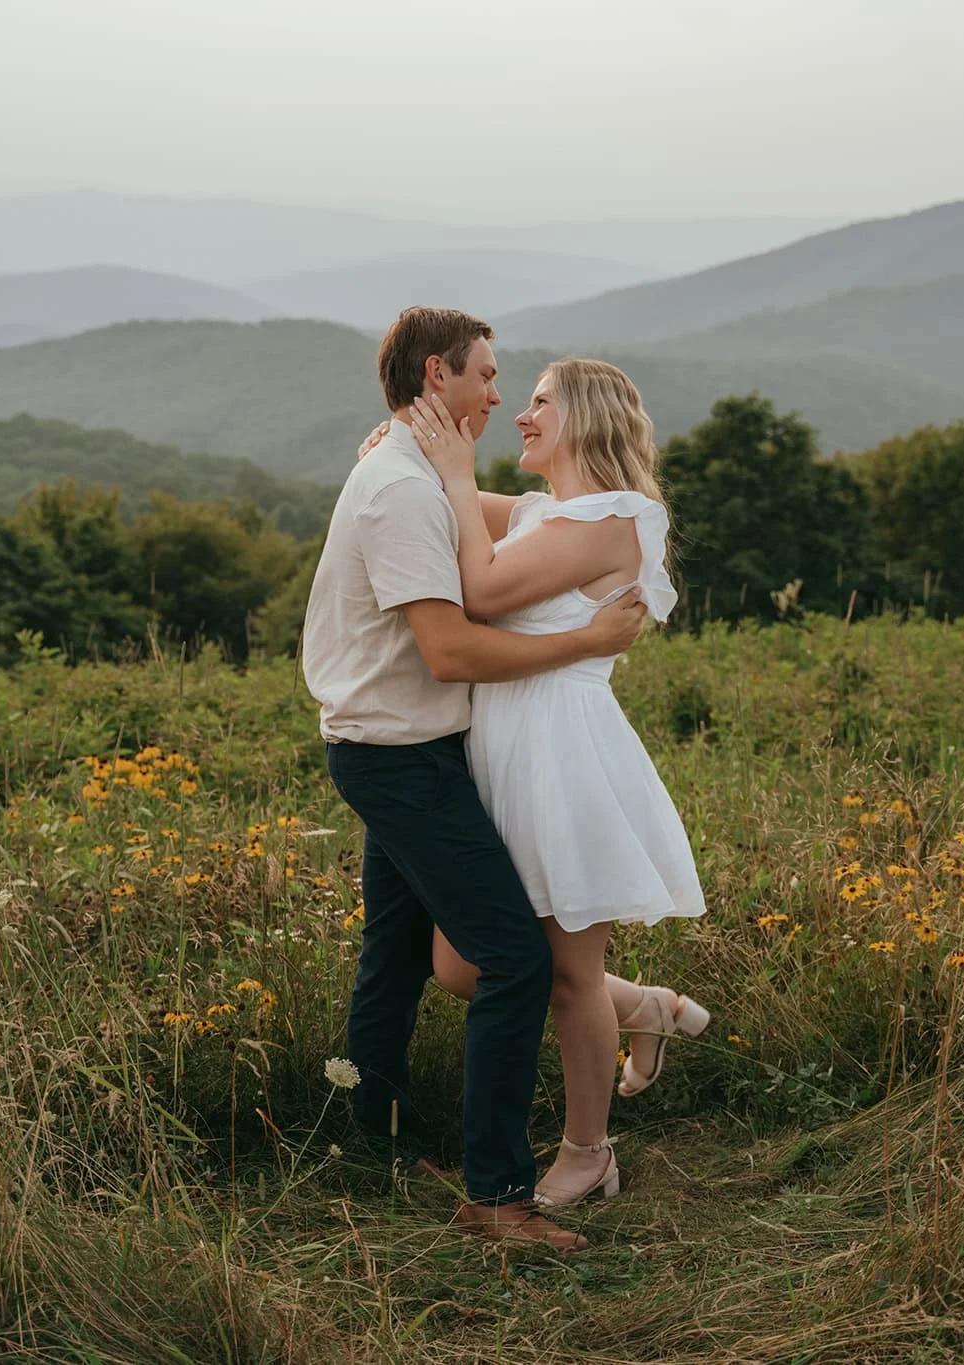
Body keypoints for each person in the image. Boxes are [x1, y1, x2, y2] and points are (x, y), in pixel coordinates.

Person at [301, 308, 648, 1251]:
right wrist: (585, 640)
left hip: (416, 748)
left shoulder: (419, 475)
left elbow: (539, 521)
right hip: (402, 758)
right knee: (513, 958)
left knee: (398, 952)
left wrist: (458, 475)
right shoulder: (403, 491)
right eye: (488, 377)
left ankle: (371, 1138)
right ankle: (498, 1196)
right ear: (434, 375)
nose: (499, 395)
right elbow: (452, 647)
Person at [393, 358, 710, 1208]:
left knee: (567, 971)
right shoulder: (548, 513)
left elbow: (483, 589)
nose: (522, 415)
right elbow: (443, 506)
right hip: (506, 749)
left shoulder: (615, 518)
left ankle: (588, 1151)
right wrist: (401, 453)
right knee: (465, 963)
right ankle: (643, 1006)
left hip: (561, 751)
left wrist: (457, 473)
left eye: (538, 402)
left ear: (586, 419)